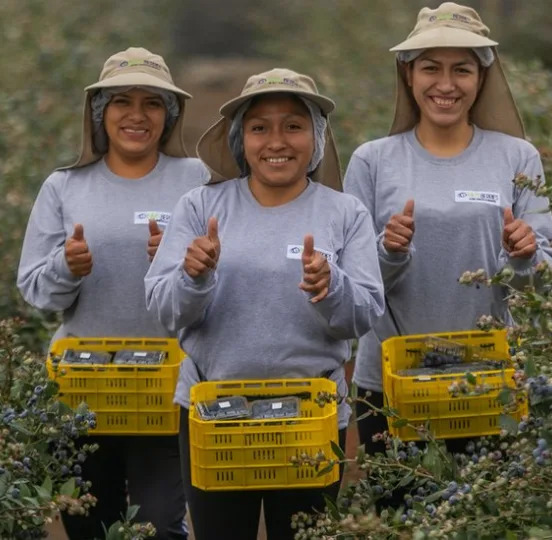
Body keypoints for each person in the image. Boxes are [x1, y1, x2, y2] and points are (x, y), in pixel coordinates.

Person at [144, 69, 384, 540]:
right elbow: (165, 309)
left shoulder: (344, 212)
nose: (277, 141)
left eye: (293, 126)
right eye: (260, 128)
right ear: (241, 140)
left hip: (309, 417)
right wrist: (194, 275)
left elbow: (365, 314)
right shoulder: (200, 207)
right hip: (216, 414)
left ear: (315, 140)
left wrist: (329, 285)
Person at [343, 2, 552, 456]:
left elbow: (546, 279)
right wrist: (389, 252)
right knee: (401, 521)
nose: (445, 84)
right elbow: (351, 293)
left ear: (482, 77)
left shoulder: (517, 157)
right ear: (408, 75)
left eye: (461, 69)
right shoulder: (373, 160)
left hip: (490, 376)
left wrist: (524, 257)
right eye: (430, 68)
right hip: (391, 383)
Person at [17, 47, 209, 540]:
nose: (137, 115)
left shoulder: (198, 181)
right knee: (88, 525)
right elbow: (37, 291)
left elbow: (228, 276)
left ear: (169, 114)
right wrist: (68, 266)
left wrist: (179, 263)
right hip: (84, 391)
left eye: (152, 102)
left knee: (159, 525)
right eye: (123, 101)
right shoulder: (64, 187)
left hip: (167, 389)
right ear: (100, 112)